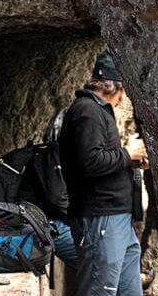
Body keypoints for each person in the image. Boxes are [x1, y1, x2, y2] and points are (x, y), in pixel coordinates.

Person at [59, 52, 148, 295]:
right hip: (101, 218)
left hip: (118, 218)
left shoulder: (97, 110)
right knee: (100, 289)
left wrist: (132, 162)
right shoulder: (87, 111)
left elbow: (100, 160)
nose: (125, 97)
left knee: (129, 290)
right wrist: (127, 154)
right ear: (115, 86)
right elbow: (89, 162)